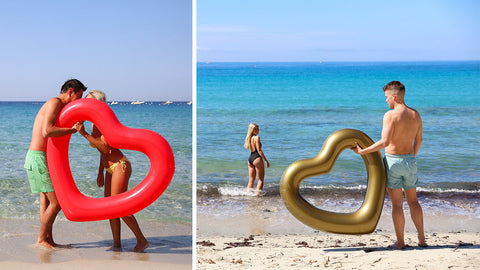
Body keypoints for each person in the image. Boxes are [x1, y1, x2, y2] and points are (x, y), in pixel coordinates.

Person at [351, 81, 426, 249]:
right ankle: (422, 239)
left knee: (398, 204)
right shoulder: (416, 115)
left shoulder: (390, 115)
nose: (385, 101)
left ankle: (401, 242)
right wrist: (411, 156)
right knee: (413, 202)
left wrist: (363, 151)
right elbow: (419, 140)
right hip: (410, 161)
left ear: (394, 96)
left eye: (386, 97)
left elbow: (385, 142)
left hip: (393, 162)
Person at [75, 90, 149, 252]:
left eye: (89, 101)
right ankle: (117, 244)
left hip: (120, 166)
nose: (85, 104)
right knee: (110, 209)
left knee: (120, 208)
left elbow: (107, 149)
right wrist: (100, 171)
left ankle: (142, 240)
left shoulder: (103, 121)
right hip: (109, 169)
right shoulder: (95, 122)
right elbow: (101, 152)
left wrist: (84, 134)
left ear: (98, 103)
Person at [24, 79, 87, 249]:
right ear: (71, 91)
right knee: (56, 203)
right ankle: (41, 239)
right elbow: (47, 131)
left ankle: (48, 239)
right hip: (37, 157)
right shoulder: (54, 102)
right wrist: (71, 130)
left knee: (45, 202)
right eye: (78, 97)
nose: (79, 101)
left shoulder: (58, 105)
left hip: (40, 157)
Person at [244, 123, 270, 196]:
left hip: (250, 158)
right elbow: (259, 151)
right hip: (257, 158)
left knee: (251, 181)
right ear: (252, 130)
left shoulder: (249, 138)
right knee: (260, 180)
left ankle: (249, 196)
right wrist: (266, 161)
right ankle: (257, 198)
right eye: (255, 129)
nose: (258, 130)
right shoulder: (257, 138)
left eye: (258, 128)